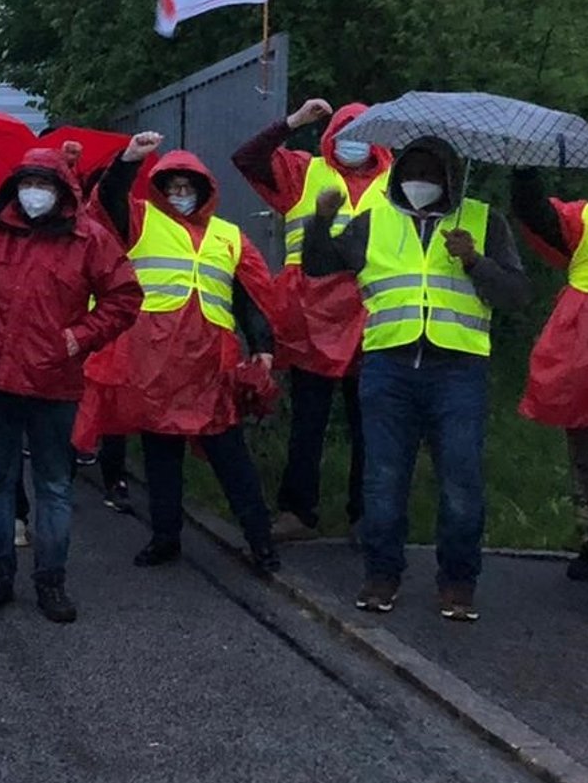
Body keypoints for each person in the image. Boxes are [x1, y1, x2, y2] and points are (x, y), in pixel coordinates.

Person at [0, 113, 141, 623]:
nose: (36, 192)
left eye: (45, 183)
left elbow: (125, 298)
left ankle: (51, 581)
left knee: (54, 487)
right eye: (29, 183)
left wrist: (79, 337)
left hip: (54, 384)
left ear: (61, 188)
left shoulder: (89, 240)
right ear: (17, 187)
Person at [303, 138, 530, 621]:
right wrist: (321, 219)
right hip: (389, 365)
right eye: (413, 169)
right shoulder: (375, 219)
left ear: (450, 176)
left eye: (431, 171)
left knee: (461, 482)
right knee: (383, 479)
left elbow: (515, 294)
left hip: (459, 369)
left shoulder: (483, 221)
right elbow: (320, 265)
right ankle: (381, 576)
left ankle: (458, 583)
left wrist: (474, 261)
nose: (420, 180)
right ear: (397, 174)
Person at [77, 134, 283, 576]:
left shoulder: (230, 237)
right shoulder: (139, 219)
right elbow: (108, 198)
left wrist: (264, 348)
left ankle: (261, 542)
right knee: (161, 456)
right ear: (157, 188)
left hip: (210, 364)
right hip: (156, 363)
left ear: (206, 189)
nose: (180, 195)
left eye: (188, 187)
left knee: (232, 459)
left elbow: (251, 297)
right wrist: (129, 159)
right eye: (172, 187)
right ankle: (165, 537)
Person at [232, 98, 390, 540]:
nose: (353, 144)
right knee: (308, 420)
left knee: (370, 425)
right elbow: (248, 158)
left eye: (362, 134)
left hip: (371, 314)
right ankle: (298, 511)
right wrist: (293, 122)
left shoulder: (397, 182)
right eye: (344, 134)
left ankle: (366, 515)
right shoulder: (304, 171)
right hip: (312, 318)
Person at [510, 170, 588, 581]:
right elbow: (537, 215)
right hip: (585, 350)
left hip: (584, 344)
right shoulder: (587, 220)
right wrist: (527, 168)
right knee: (587, 453)